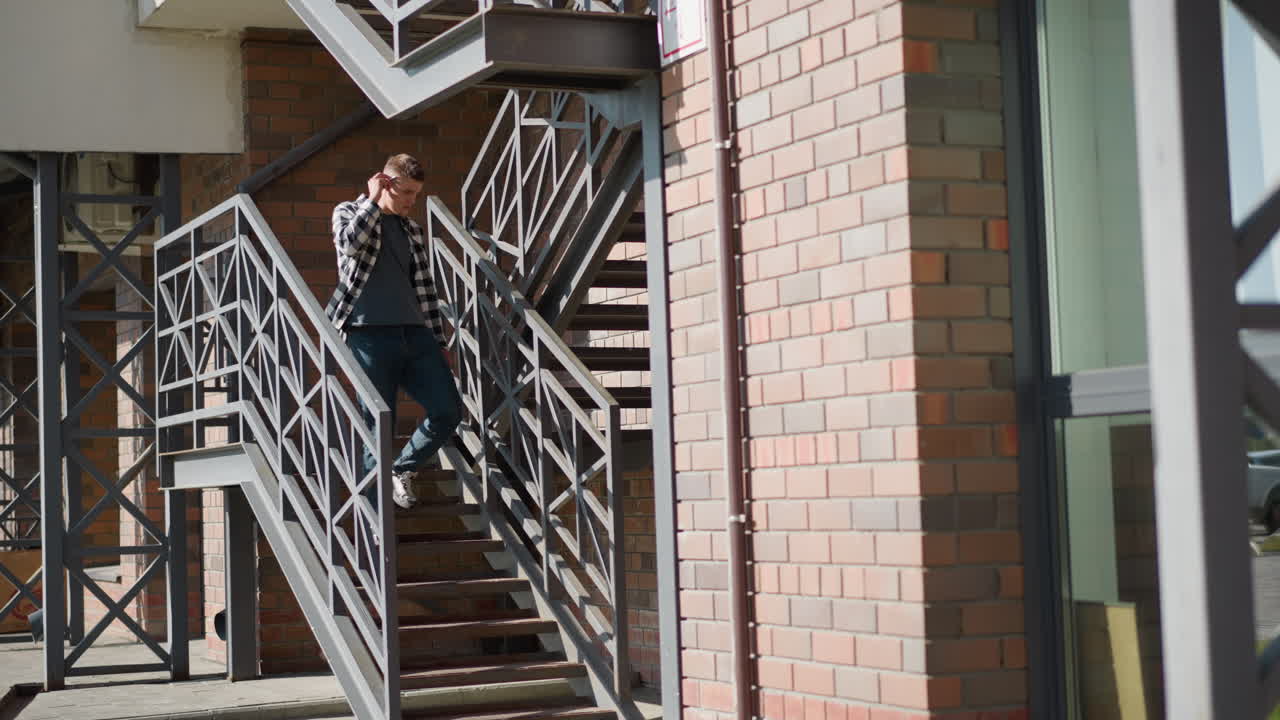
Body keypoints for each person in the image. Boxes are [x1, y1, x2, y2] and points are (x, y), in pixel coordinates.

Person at [325, 153, 460, 510]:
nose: (411, 202)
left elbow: (425, 291)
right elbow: (349, 245)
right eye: (406, 194)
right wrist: (371, 202)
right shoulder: (349, 212)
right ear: (385, 183)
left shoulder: (411, 230)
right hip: (367, 335)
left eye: (416, 195)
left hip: (416, 336)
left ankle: (404, 468)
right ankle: (374, 525)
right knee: (377, 429)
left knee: (448, 410)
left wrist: (439, 339)